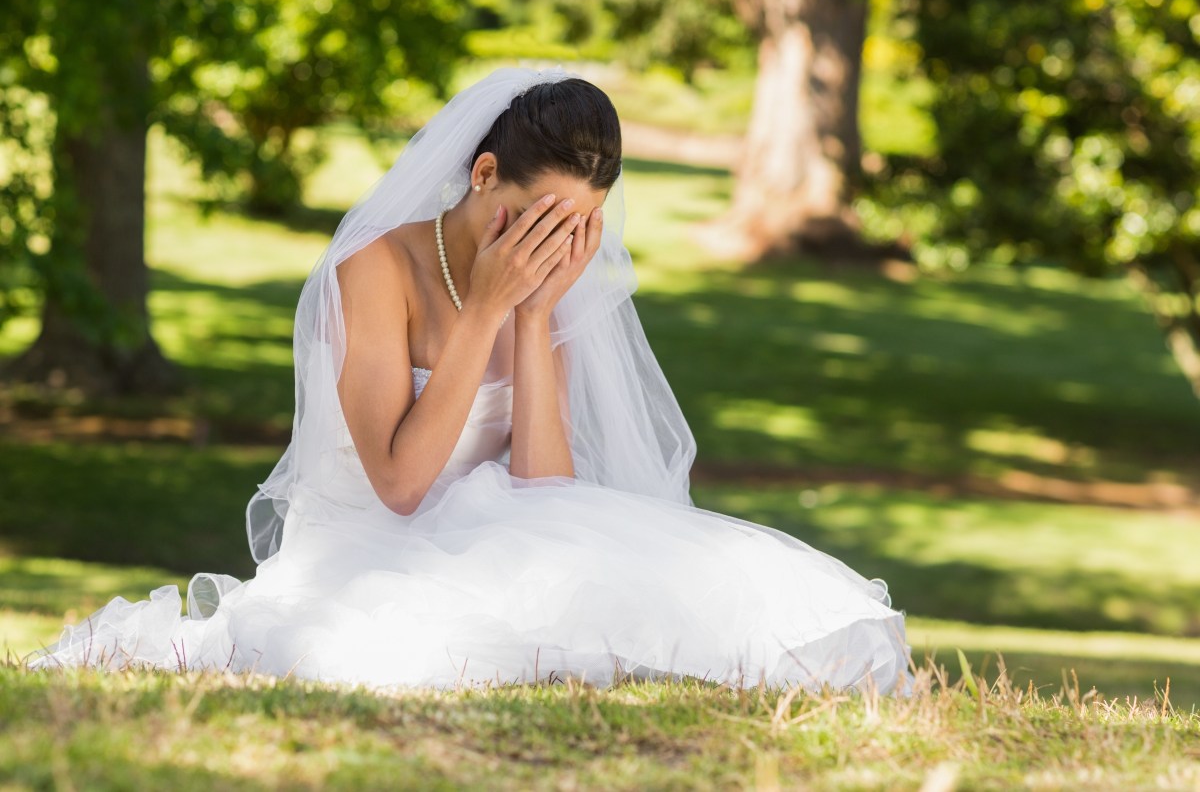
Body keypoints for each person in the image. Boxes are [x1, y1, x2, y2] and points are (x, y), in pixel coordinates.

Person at [28, 67, 911, 692]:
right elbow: (403, 485)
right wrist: (487, 309)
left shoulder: (543, 289)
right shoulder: (372, 274)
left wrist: (532, 317)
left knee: (705, 593)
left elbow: (547, 493)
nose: (554, 248)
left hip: (496, 534)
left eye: (582, 227)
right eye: (538, 220)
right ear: (484, 175)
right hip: (369, 549)